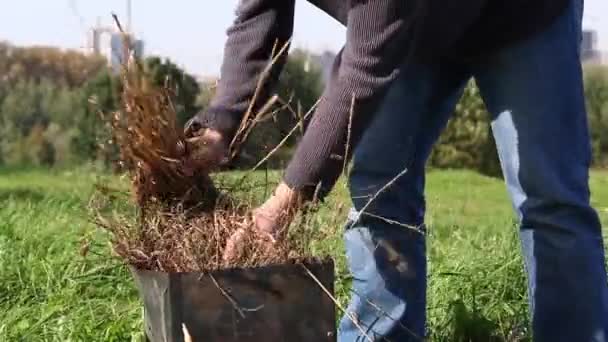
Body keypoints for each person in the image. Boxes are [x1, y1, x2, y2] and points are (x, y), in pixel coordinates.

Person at [185, 0, 608, 340]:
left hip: (520, 16)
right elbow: (261, 14)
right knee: (379, 194)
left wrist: (280, 205)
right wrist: (222, 122)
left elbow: (365, 68)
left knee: (549, 198)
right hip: (412, 27)